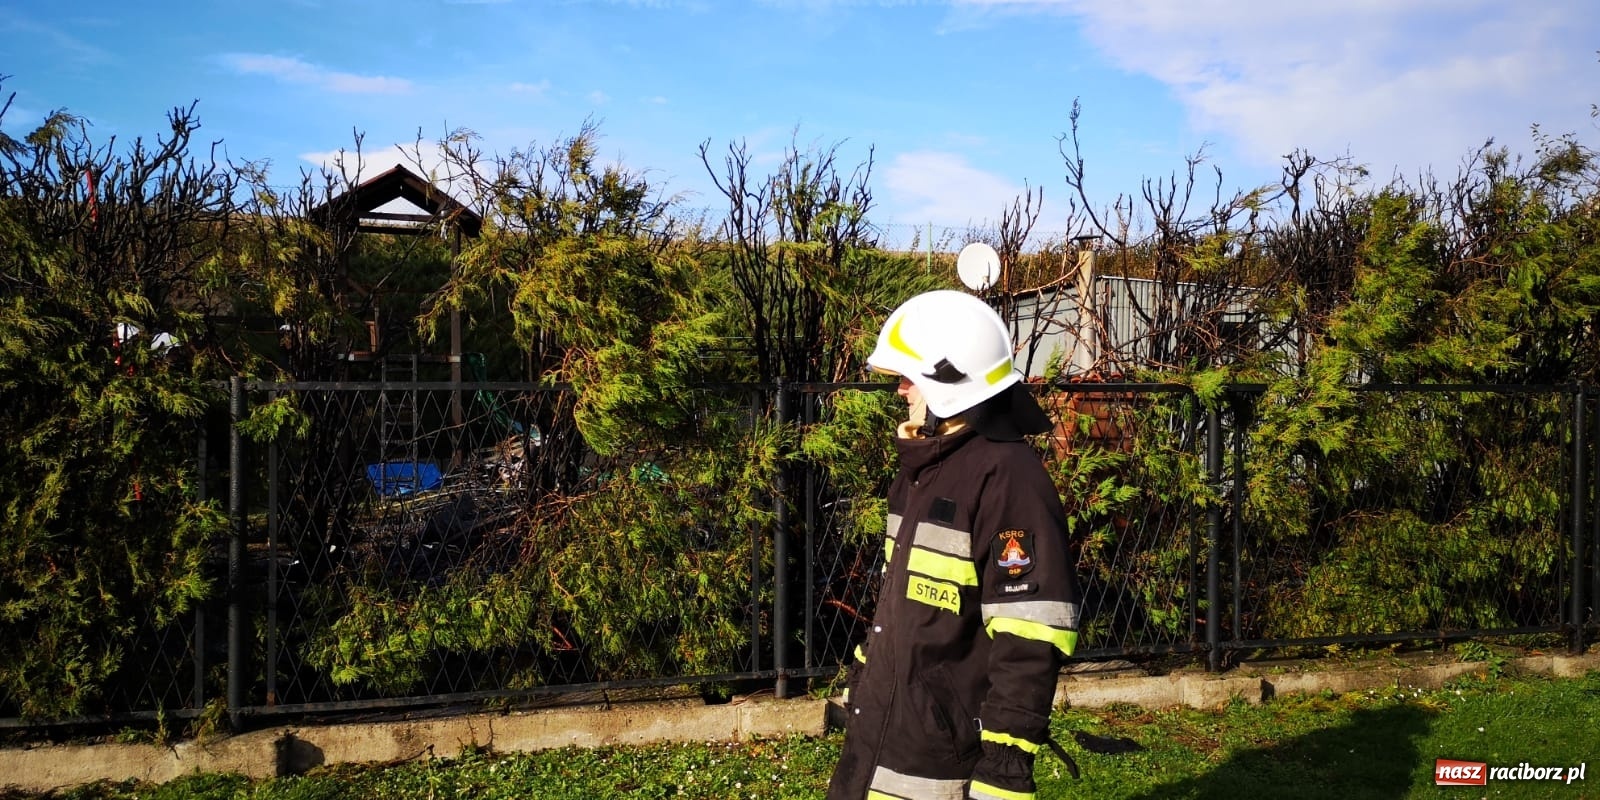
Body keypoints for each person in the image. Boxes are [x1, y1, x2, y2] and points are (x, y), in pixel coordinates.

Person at [826, 290, 1082, 800]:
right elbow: (901, 597)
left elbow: (1029, 635)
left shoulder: (1009, 480)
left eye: (909, 376)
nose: (900, 390)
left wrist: (1004, 768)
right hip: (879, 733)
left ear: (949, 381)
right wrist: (864, 673)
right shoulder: (922, 469)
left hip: (939, 759)